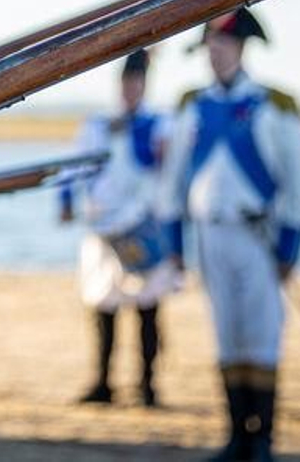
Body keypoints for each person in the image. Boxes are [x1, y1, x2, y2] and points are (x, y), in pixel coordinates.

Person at [156, 8, 300, 462]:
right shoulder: (193, 106)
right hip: (210, 234)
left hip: (256, 236)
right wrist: (174, 241)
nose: (215, 54)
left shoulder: (273, 105)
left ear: (242, 47)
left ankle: (262, 439)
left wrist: (290, 246)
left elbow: (298, 184)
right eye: (210, 46)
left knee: (261, 334)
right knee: (226, 334)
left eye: (222, 45)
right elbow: (173, 182)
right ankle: (235, 435)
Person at [58, 48, 176, 408]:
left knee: (147, 306)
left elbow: (168, 165)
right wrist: (65, 200)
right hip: (103, 228)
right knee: (103, 304)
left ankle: (147, 385)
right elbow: (74, 166)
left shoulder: (161, 124)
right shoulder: (97, 125)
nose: (131, 89)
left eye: (137, 82)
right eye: (127, 82)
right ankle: (103, 382)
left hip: (142, 225)